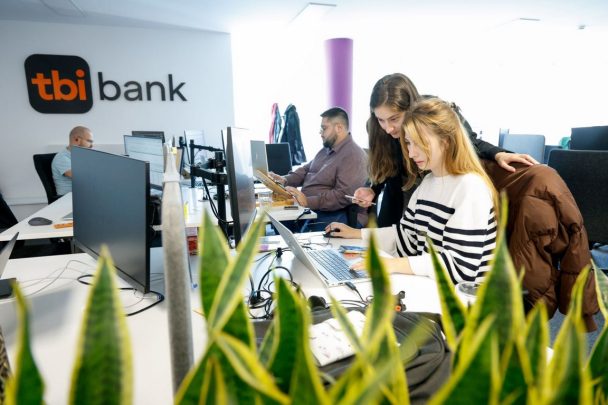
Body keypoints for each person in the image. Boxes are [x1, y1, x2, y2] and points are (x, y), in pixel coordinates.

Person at [326, 97, 498, 284]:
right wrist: (356, 233)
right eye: (408, 143)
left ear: (446, 141)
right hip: (430, 287)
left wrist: (392, 265)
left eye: (420, 142)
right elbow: (405, 238)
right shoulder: (428, 183)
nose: (411, 153)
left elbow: (460, 268)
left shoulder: (470, 188)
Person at [352, 73, 538, 227]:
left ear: (411, 109)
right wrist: (373, 189)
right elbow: (384, 164)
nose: (388, 129)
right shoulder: (376, 127)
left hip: (433, 189)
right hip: (400, 189)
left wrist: (497, 153)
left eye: (394, 119)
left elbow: (468, 141)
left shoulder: (432, 112)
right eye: (381, 120)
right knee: (397, 239)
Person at [268, 107, 368, 232]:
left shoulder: (353, 155)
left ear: (339, 128)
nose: (320, 133)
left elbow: (343, 196)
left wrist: (307, 202)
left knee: (298, 237)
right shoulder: (326, 149)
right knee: (278, 219)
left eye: (324, 128)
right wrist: (284, 180)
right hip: (313, 209)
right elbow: (306, 170)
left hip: (338, 214)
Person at [51, 126, 94, 196]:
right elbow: (83, 178)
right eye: (89, 141)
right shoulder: (62, 158)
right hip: (69, 197)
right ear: (77, 139)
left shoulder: (80, 156)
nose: (92, 146)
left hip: (82, 194)